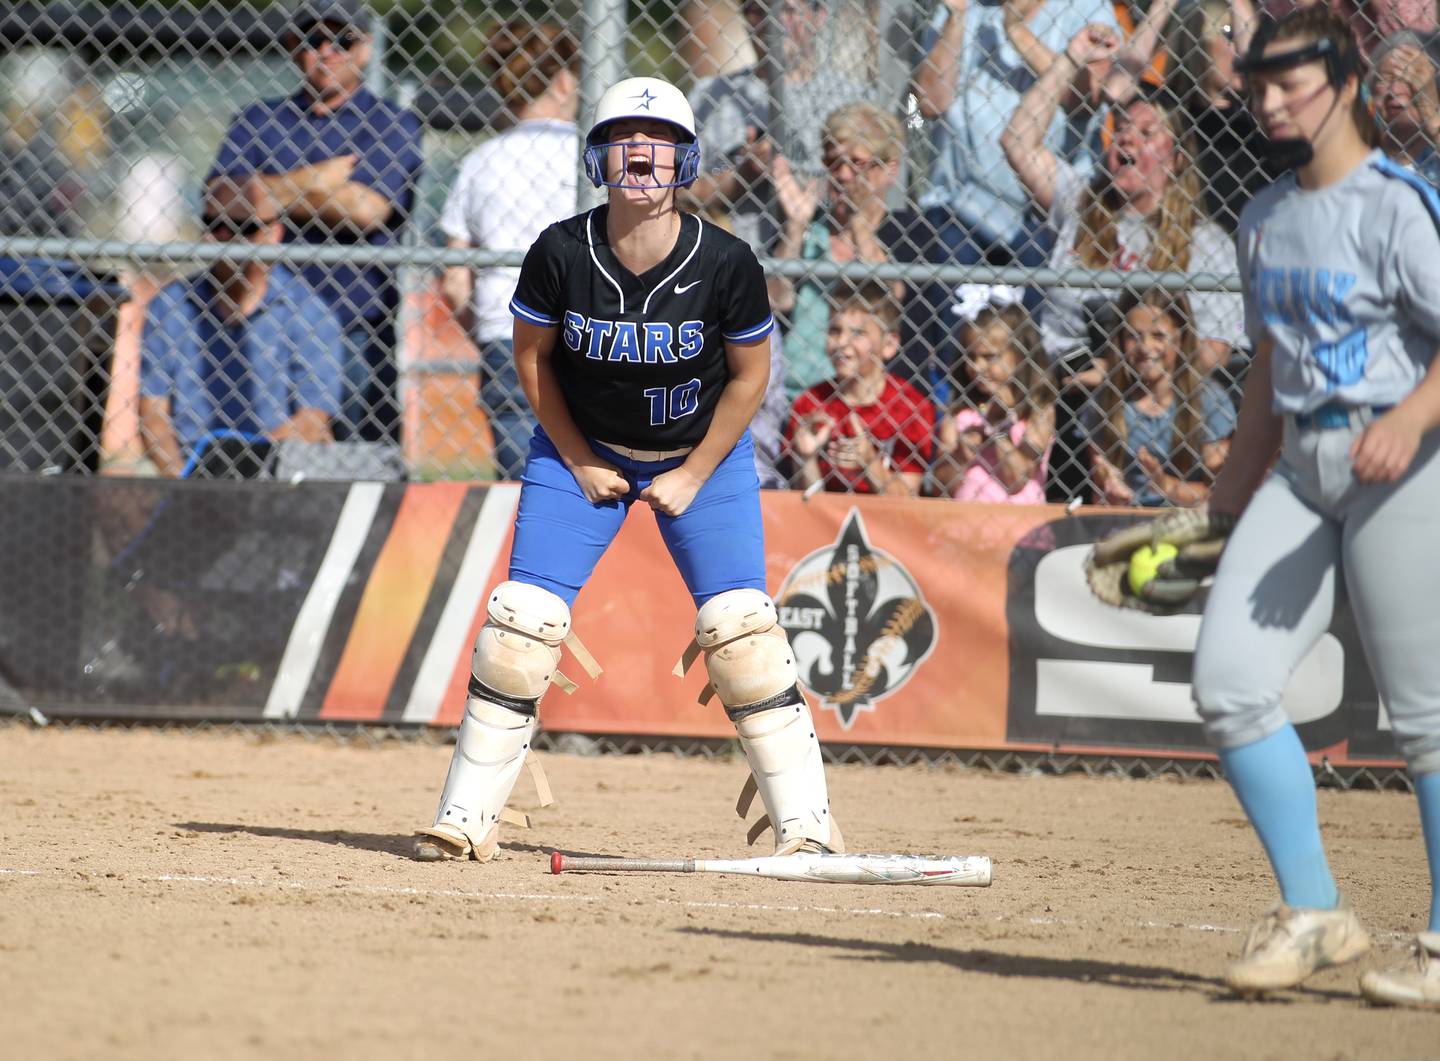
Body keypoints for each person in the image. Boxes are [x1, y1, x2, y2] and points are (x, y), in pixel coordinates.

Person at [413, 76, 840, 864]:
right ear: (597, 157)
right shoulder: (561, 251)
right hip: (585, 450)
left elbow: (752, 377)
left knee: (742, 632)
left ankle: (808, 826)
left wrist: (692, 472)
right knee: (519, 625)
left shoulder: (725, 261)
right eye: (622, 136)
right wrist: (575, 456)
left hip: (700, 457)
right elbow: (530, 361)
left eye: (659, 138)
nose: (640, 150)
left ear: (685, 160)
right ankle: (467, 814)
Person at [1189, 8, 1440, 1005]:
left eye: (1291, 80)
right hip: (1303, 466)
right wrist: (1227, 493)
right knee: (1229, 683)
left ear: (1345, 80)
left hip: (1400, 463)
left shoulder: (1396, 205)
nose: (1271, 98)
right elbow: (1264, 375)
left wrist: (1415, 414)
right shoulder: (1261, 218)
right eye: (1258, 84)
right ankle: (1315, 910)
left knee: (1424, 718)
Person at [207, 0, 423, 448]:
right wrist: (316, 181)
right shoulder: (258, 120)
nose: (325, 51)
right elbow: (219, 199)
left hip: (353, 323)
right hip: (262, 317)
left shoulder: (389, 122)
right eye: (311, 40)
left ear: (363, 49)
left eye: (341, 40)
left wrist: (268, 193)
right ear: (293, 47)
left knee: (355, 454)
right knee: (256, 451)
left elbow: (367, 210)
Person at [440, 21, 579, 481]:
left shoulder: (481, 161)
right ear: (563, 81)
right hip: (591, 331)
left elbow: (455, 280)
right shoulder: (589, 156)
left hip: (510, 332)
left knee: (524, 482)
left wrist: (484, 327)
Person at [138, 178, 342, 478]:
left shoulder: (309, 312)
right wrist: (183, 482)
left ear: (273, 233)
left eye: (241, 228)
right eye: (214, 224)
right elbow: (152, 413)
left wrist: (245, 475)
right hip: (190, 475)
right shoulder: (170, 306)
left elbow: (313, 420)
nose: (224, 238)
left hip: (274, 475)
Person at [913, 0, 1120, 268]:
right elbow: (929, 103)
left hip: (1045, 214)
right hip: (957, 204)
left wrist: (1016, 31)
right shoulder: (966, 7)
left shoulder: (1087, 8)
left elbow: (1085, 97)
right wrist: (956, 17)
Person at [684, 0, 873, 255]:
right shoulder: (709, 96)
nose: (772, 23)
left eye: (787, 10)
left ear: (818, 17)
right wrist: (740, 175)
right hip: (732, 259)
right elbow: (677, 192)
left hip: (828, 262)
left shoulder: (854, 99)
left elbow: (878, 189)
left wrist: (811, 182)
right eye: (758, 10)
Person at [769, 102, 915, 401]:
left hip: (871, 398)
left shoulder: (909, 232)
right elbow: (774, 300)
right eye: (834, 163)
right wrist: (796, 226)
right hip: (801, 396)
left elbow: (894, 299)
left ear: (889, 169)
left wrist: (859, 225)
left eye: (857, 163)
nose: (844, 175)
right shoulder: (811, 229)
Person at [1086, 288, 1235, 507]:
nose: (1144, 347)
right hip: (1127, 520)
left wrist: (1166, 485)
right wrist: (1111, 491)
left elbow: (1218, 491)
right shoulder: (1106, 400)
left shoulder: (1209, 400)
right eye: (1133, 336)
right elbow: (1099, 490)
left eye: (1158, 336)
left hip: (1188, 520)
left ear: (1180, 338)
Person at [783, 281, 933, 496]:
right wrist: (806, 460)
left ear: (889, 344)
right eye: (835, 330)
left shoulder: (912, 406)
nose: (842, 342)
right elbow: (809, 506)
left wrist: (869, 462)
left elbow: (908, 499)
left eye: (858, 333)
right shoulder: (811, 403)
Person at [934, 301, 1056, 504]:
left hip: (1021, 527)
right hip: (965, 524)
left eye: (989, 357)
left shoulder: (1038, 410)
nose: (976, 366)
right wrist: (960, 456)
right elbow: (938, 487)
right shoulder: (961, 414)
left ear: (1020, 356)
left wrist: (997, 428)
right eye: (970, 356)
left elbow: (1017, 480)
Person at [1371, 30, 1440, 186]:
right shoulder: (1363, 158)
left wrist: (1431, 113)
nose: (1394, 90)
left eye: (1410, 78)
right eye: (1386, 79)